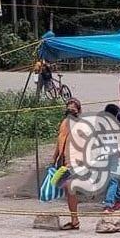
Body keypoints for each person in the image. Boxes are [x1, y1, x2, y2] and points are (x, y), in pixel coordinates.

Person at [52, 98, 82, 230]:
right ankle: (74, 218)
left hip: (73, 163)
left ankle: (75, 220)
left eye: (73, 107)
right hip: (63, 162)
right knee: (64, 188)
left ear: (78, 110)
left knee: (70, 190)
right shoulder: (64, 123)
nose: (71, 109)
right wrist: (54, 158)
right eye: (69, 107)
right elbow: (60, 141)